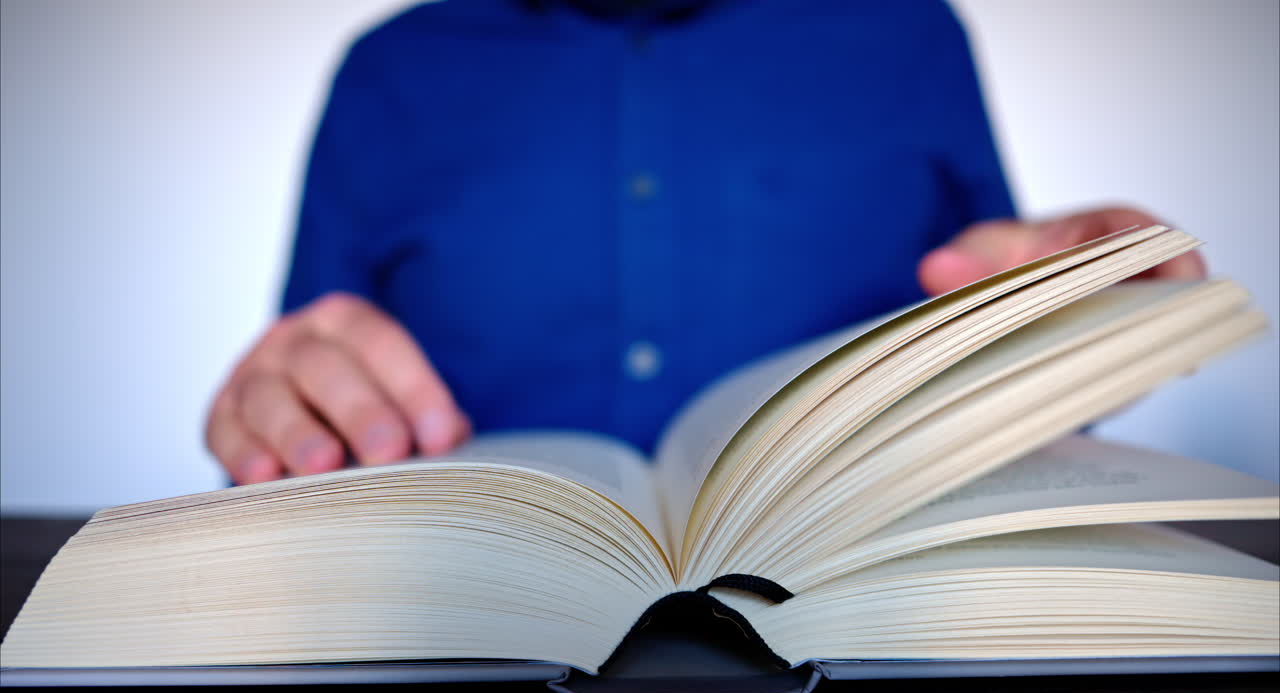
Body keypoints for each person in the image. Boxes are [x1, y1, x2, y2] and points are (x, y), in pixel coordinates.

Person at [205, 0, 1205, 485]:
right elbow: (305, 395)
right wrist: (278, 409)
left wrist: (1074, 324)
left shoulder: (909, 35)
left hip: (864, 648)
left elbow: (992, 311)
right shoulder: (391, 70)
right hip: (466, 645)